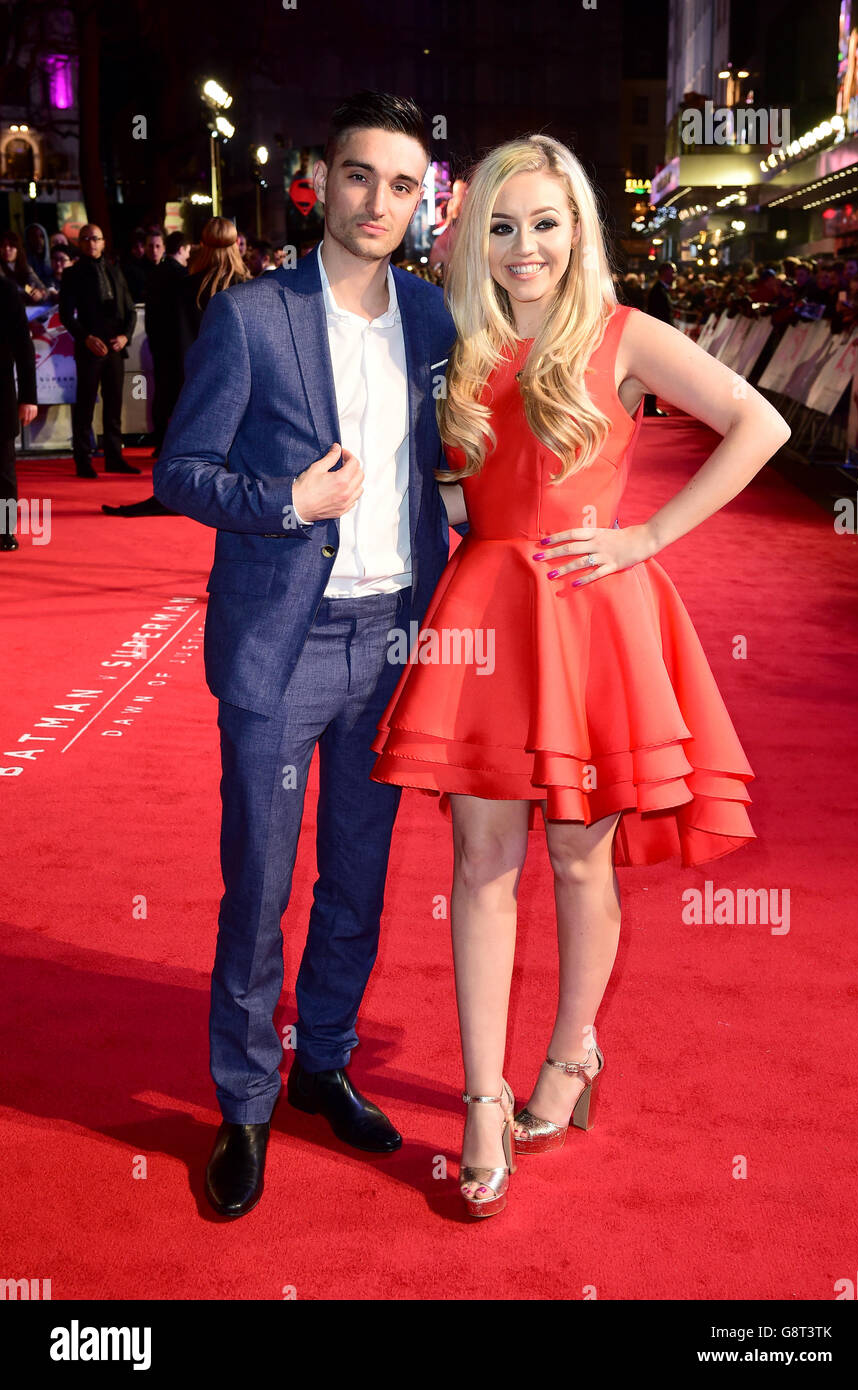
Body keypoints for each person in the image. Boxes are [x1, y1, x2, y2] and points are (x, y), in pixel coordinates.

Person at [369, 134, 791, 1220]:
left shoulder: (625, 334)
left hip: (593, 616)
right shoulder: (453, 341)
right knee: (478, 863)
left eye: (546, 223)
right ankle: (480, 1096)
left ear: (579, 231)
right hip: (485, 615)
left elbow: (761, 422)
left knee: (577, 861)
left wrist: (647, 538)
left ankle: (569, 1055)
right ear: (475, 237)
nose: (525, 247)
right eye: (503, 226)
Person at [153, 91, 456, 1219]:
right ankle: (242, 1099)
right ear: (322, 182)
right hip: (283, 646)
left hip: (393, 639)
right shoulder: (251, 317)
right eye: (363, 177)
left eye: (404, 185)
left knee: (360, 879)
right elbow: (179, 472)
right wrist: (286, 498)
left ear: (422, 202)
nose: (382, 202)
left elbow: (454, 453)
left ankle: (322, 1059)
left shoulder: (432, 318)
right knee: (262, 882)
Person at [103, 217, 249, 518]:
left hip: (198, 382)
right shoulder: (250, 287)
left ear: (201, 246)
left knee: (185, 450)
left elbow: (177, 344)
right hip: (244, 385)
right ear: (236, 244)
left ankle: (172, 497)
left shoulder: (186, 288)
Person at [58, 224, 138, 478]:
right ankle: (82, 459)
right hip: (90, 346)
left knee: (114, 405)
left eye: (95, 238)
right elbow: (65, 315)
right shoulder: (72, 274)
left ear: (103, 242)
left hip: (116, 345)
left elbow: (131, 310)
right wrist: (86, 338)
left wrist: (126, 336)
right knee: (85, 406)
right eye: (85, 239)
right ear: (79, 243)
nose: (91, 243)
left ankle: (114, 457)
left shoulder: (115, 270)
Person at [0, 273, 38, 551]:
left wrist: (28, 397)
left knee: (2, 467)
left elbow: (24, 348)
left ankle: (4, 530)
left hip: (0, 392)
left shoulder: (6, 291)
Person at [144, 230, 191, 452]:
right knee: (181, 394)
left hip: (159, 342)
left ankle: (160, 440)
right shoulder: (183, 276)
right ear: (182, 249)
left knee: (161, 393)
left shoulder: (154, 273)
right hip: (179, 344)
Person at [644, 260, 676, 415]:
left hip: (658, 335)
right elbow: (659, 315)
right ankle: (650, 407)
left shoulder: (660, 289)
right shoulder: (658, 291)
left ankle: (650, 406)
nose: (675, 275)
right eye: (673, 272)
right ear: (665, 272)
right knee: (655, 372)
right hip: (658, 337)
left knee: (655, 372)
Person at [1, 230, 47, 303]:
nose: (7, 249)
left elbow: (41, 288)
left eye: (11, 245)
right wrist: (29, 292)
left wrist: (39, 293)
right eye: (3, 246)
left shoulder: (24, 266)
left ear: (18, 249)